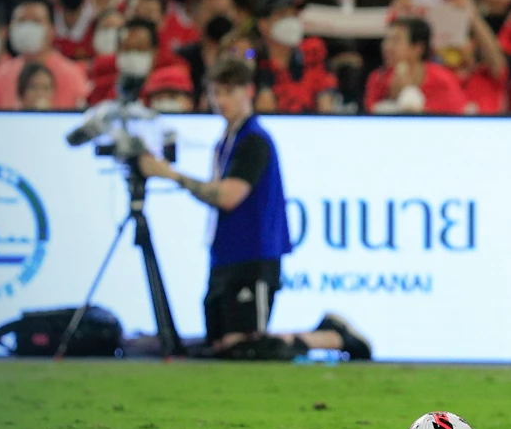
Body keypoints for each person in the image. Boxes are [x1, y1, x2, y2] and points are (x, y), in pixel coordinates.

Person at [137, 57, 370, 360]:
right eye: (215, 93)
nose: (221, 101)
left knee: (246, 345)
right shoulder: (227, 140)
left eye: (228, 93)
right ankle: (327, 332)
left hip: (253, 253)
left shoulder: (254, 140)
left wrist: (170, 175)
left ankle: (331, 336)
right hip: (225, 250)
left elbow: (229, 195)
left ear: (247, 91)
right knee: (222, 344)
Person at [0, 0, 90, 109]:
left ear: (52, 30)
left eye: (35, 21)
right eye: (21, 21)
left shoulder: (73, 75)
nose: (27, 28)